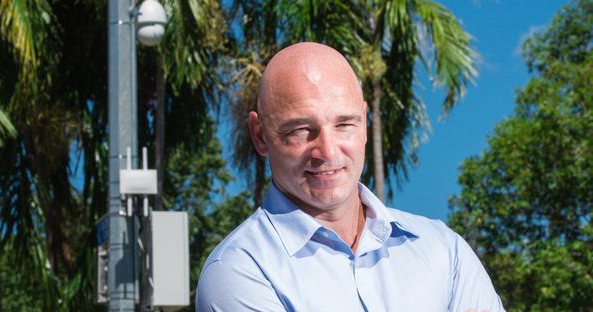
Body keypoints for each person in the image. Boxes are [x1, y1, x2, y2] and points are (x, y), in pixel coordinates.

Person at [196, 42, 505, 311]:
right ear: (261, 136)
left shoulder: (443, 250)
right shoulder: (239, 272)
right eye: (301, 130)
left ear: (365, 123)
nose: (328, 152)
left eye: (344, 124)